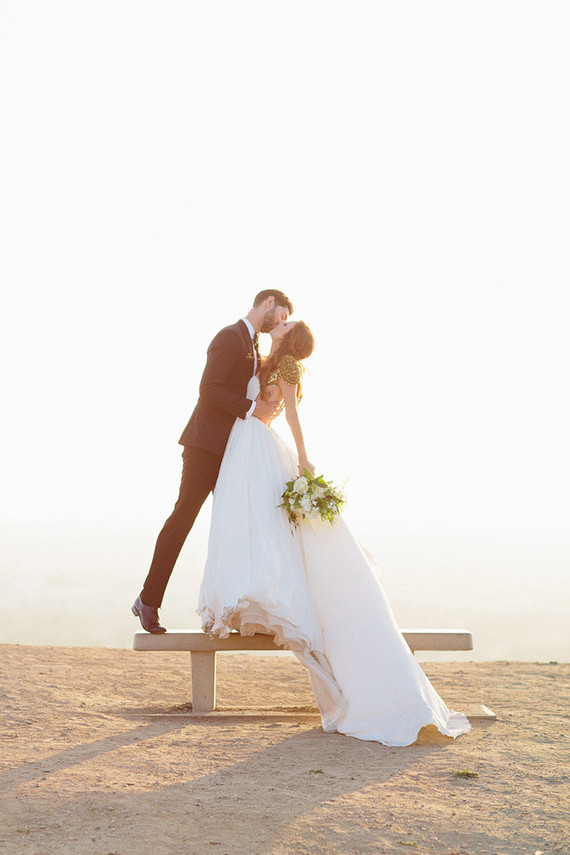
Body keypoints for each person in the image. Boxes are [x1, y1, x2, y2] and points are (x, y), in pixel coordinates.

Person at [197, 320, 472, 747]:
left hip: (259, 443)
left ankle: (260, 595)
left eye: (285, 322)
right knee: (246, 526)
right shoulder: (265, 357)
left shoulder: (285, 365)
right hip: (246, 441)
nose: (280, 322)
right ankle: (248, 595)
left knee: (262, 528)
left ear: (290, 338)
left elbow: (290, 411)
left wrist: (305, 458)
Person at [132, 290, 293, 634]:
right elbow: (209, 389)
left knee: (238, 526)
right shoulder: (229, 337)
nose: (280, 322)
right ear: (268, 303)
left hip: (235, 452)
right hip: (205, 446)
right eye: (280, 315)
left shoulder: (255, 348)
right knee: (183, 518)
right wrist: (251, 409)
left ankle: (238, 609)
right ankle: (148, 601)